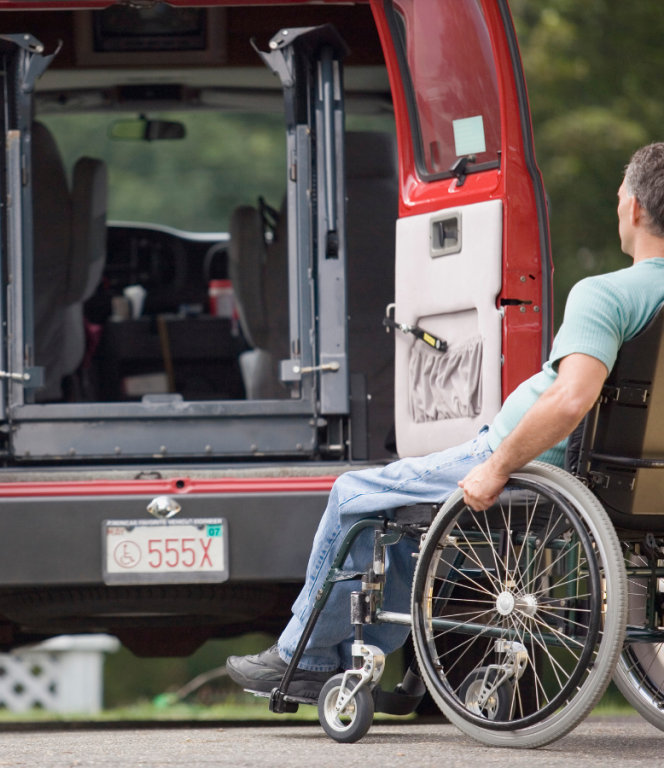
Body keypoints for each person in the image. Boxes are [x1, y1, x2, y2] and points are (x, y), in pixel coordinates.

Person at [227, 142, 664, 700]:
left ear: (632, 209)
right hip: (638, 478)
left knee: (353, 492)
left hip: (533, 462)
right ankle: (354, 656)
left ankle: (304, 656)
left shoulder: (606, 295)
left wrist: (497, 466)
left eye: (620, 197)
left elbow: (570, 400)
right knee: (407, 530)